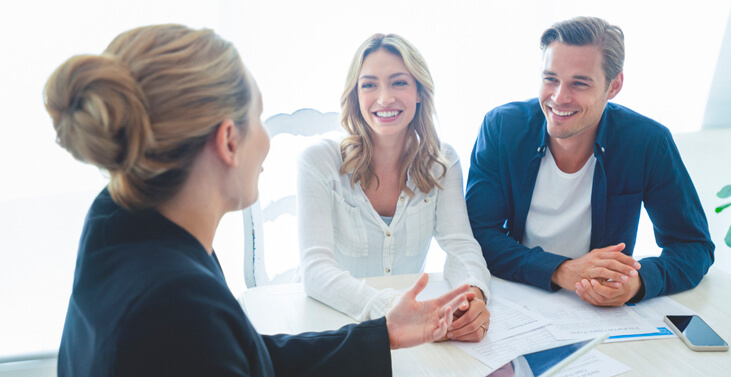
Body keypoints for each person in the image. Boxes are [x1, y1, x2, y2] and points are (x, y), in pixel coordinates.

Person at [45, 24, 475, 376]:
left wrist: (382, 334)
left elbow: (247, 355)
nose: (268, 141)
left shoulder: (119, 219)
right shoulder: (178, 307)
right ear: (230, 141)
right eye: (258, 118)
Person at [465, 17, 714, 307]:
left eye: (579, 83)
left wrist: (639, 282)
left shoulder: (647, 142)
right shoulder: (502, 128)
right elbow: (477, 234)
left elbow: (694, 246)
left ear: (614, 86)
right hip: (515, 294)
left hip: (599, 311)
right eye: (550, 79)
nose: (559, 97)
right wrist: (561, 270)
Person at [297, 33, 491, 341]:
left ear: (418, 92)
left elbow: (461, 245)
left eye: (399, 82)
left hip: (411, 335)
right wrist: (393, 309)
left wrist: (472, 295)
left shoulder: (443, 161)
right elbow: (316, 271)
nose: (385, 98)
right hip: (332, 326)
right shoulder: (319, 161)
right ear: (355, 96)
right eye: (369, 84)